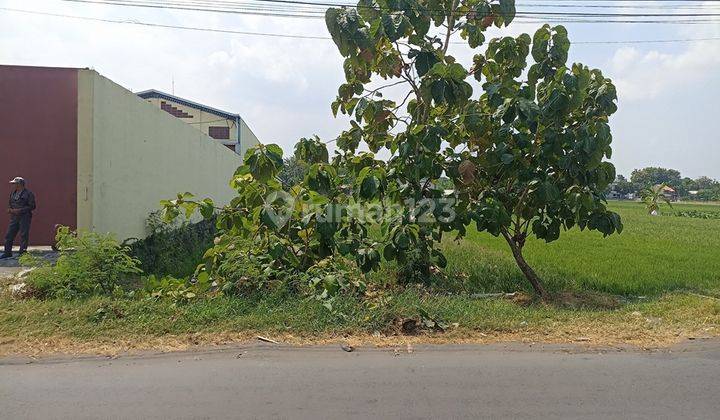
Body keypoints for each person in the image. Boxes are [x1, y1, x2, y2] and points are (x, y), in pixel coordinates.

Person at [1, 177, 36, 259]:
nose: (13, 185)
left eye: (14, 183)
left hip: (24, 217)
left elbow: (32, 206)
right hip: (14, 218)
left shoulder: (28, 194)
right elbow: (10, 203)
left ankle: (22, 253)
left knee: (24, 234)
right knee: (9, 235)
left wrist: (20, 210)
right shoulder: (13, 193)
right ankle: (7, 252)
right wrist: (10, 210)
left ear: (19, 184)